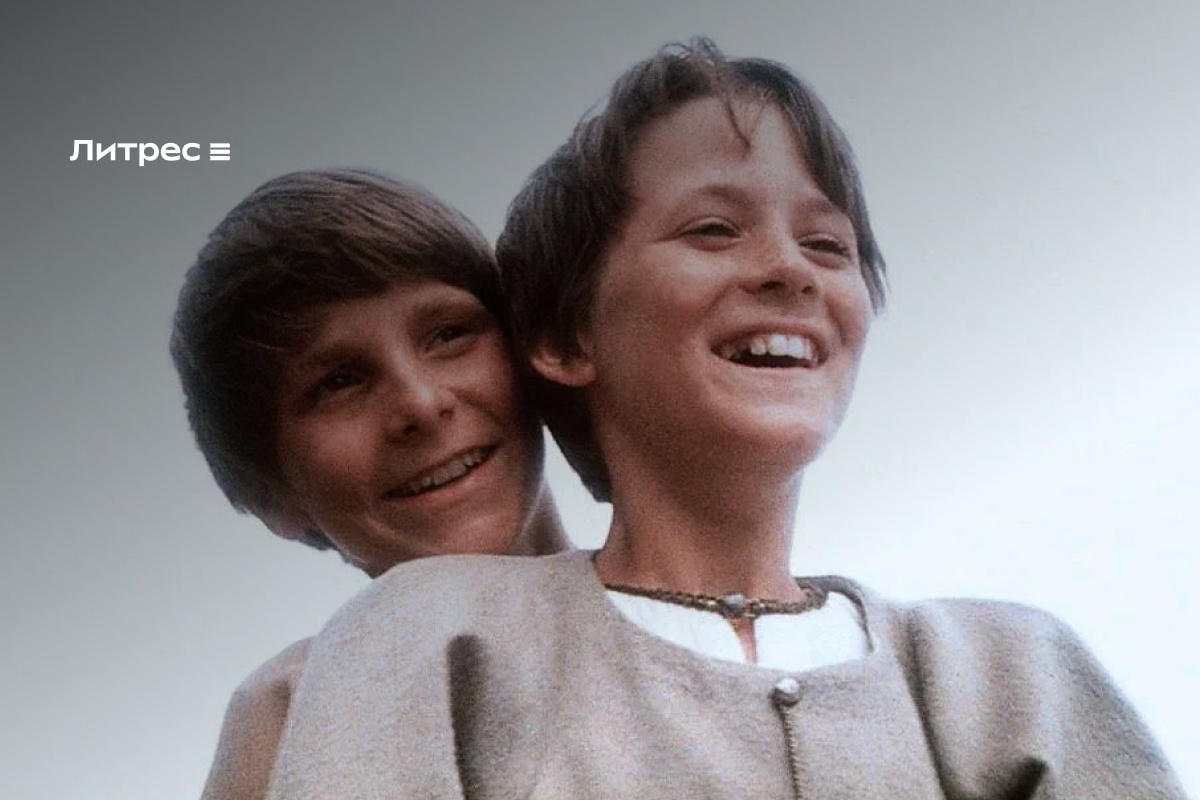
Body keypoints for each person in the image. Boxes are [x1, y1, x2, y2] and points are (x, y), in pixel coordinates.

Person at [259, 42, 1186, 799]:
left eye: (829, 244)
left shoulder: (1011, 673)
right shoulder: (424, 638)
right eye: (713, 229)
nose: (791, 269)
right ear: (565, 335)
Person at [170, 168, 569, 800]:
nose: (421, 404)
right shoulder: (295, 714)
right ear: (273, 497)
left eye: (449, 334)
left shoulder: (713, 606)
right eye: (339, 382)